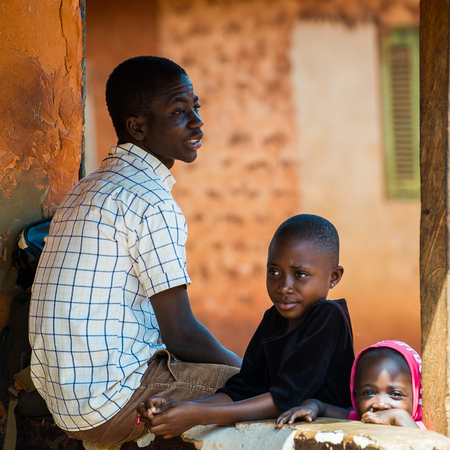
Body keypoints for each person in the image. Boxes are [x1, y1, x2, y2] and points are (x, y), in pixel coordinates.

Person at [28, 56, 241, 446]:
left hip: (64, 403)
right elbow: (183, 337)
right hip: (110, 404)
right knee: (256, 393)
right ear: (138, 127)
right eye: (179, 111)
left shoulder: (88, 187)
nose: (196, 122)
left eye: (196, 107)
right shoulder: (151, 201)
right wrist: (255, 371)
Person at [138, 214, 355, 439]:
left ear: (334, 276)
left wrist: (198, 414)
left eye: (300, 275)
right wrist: (179, 407)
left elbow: (284, 400)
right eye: (274, 272)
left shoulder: (329, 317)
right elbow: (244, 387)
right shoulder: (273, 319)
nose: (284, 286)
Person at [275, 340, 424, 429]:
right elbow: (323, 408)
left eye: (396, 394)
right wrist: (312, 406)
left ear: (416, 397)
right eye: (369, 393)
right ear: (355, 396)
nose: (381, 404)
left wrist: (399, 418)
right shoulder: (361, 419)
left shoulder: (420, 428)